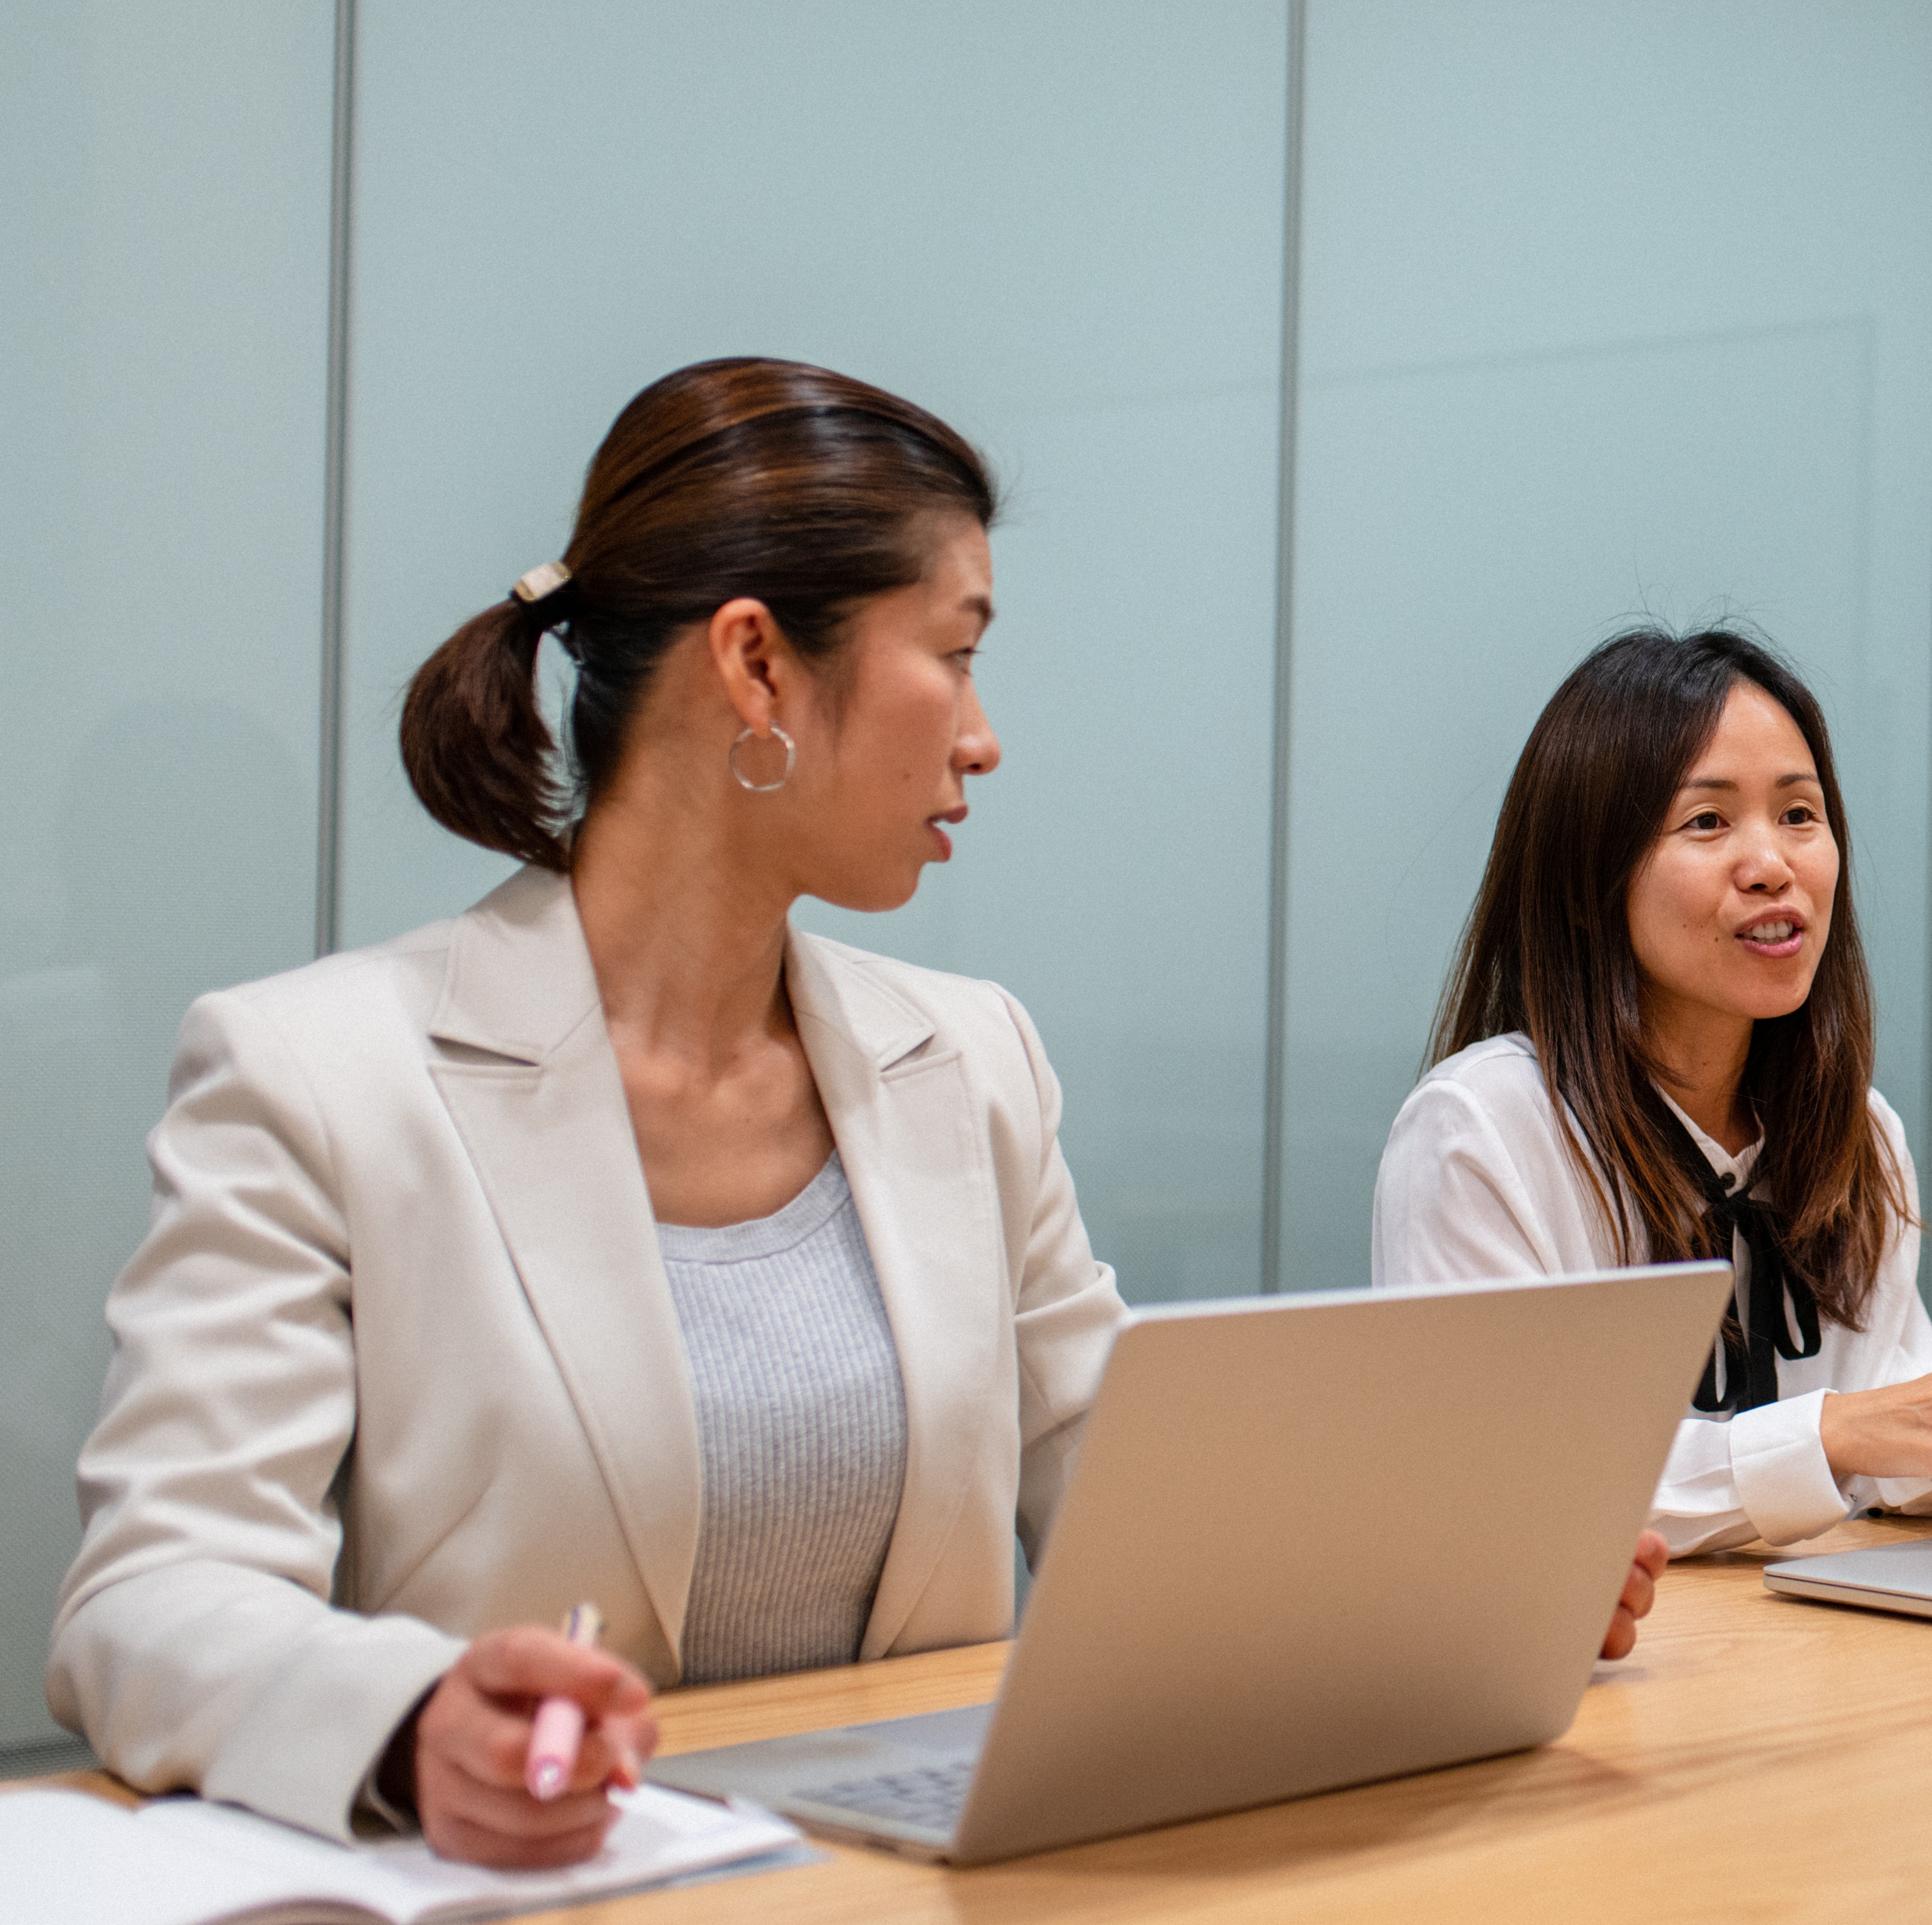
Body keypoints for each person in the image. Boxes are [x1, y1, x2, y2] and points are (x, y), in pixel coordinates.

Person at [42, 359, 1663, 1868]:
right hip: (568, 1887)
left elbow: (1131, 1490)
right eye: (955, 653)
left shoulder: (970, 1058)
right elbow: (149, 1597)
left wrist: (1460, 1587)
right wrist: (407, 1725)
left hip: (934, 1881)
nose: (983, 732)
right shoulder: (316, 1075)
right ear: (755, 662)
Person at [1374, 628, 1932, 1555]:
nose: (1773, 864)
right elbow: (1502, 1485)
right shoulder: (1482, 1129)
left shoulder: (1859, 1133)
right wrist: (1841, 1431)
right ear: (1587, 883)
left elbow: (1889, 1476)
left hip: (1809, 1664)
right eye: (1707, 822)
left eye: (1801, 814)